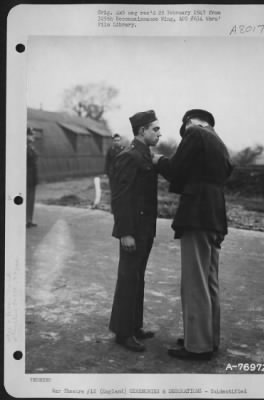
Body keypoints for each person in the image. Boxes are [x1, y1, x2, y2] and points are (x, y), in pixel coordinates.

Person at [153, 109, 233, 360]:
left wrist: (157, 161)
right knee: (209, 282)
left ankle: (197, 346)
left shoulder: (195, 133)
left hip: (197, 215)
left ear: (190, 122)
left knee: (195, 282)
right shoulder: (218, 143)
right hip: (214, 217)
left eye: (184, 127)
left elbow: (177, 169)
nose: (185, 131)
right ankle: (208, 339)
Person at [109, 110, 162, 352]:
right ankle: (123, 332)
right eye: (155, 129)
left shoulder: (145, 155)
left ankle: (134, 325)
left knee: (138, 276)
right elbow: (120, 198)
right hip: (133, 229)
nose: (159, 133)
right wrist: (125, 232)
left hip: (145, 228)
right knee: (128, 277)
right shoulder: (129, 156)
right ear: (142, 131)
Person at [26, 128, 38, 228]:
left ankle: (29, 220)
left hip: (32, 177)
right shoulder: (24, 147)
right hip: (26, 177)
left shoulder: (31, 147)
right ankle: (25, 220)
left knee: (31, 199)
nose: (33, 137)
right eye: (31, 135)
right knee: (26, 199)